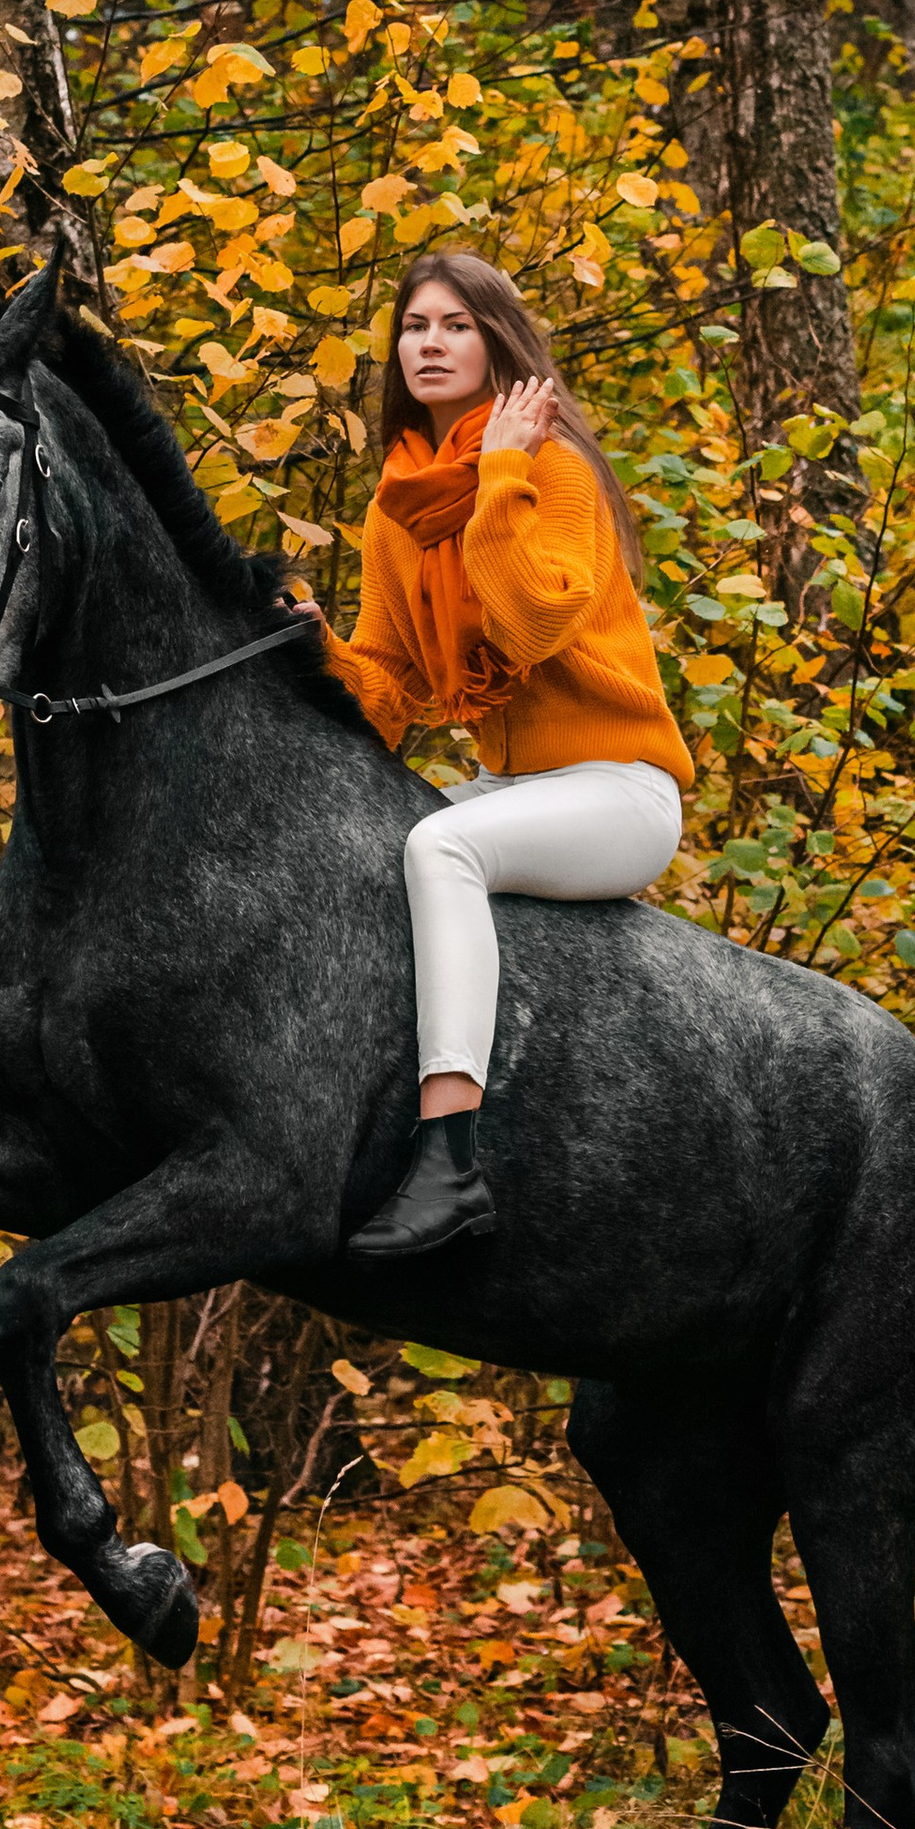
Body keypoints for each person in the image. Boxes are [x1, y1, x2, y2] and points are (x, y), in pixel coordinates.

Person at [288, 250, 694, 1258]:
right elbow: (388, 697)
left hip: (616, 791)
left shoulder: (548, 468)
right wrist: (316, 649)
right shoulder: (398, 507)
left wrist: (501, 475)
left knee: (439, 848)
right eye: (415, 325)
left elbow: (531, 629)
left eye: (456, 324)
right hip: (510, 786)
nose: (429, 342)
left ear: (497, 343)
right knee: (355, 844)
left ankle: (450, 1160)